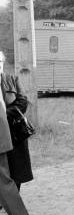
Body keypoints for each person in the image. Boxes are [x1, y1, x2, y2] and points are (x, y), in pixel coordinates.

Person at [0, 78, 34, 215]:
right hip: (5, 134)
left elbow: (22, 101)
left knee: (8, 180)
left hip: (11, 135)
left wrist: (6, 113)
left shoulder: (9, 79)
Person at [0, 51, 34, 194]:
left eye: (0, 62)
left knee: (16, 166)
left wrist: (3, 115)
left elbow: (23, 102)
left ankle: (14, 195)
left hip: (14, 131)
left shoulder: (12, 79)